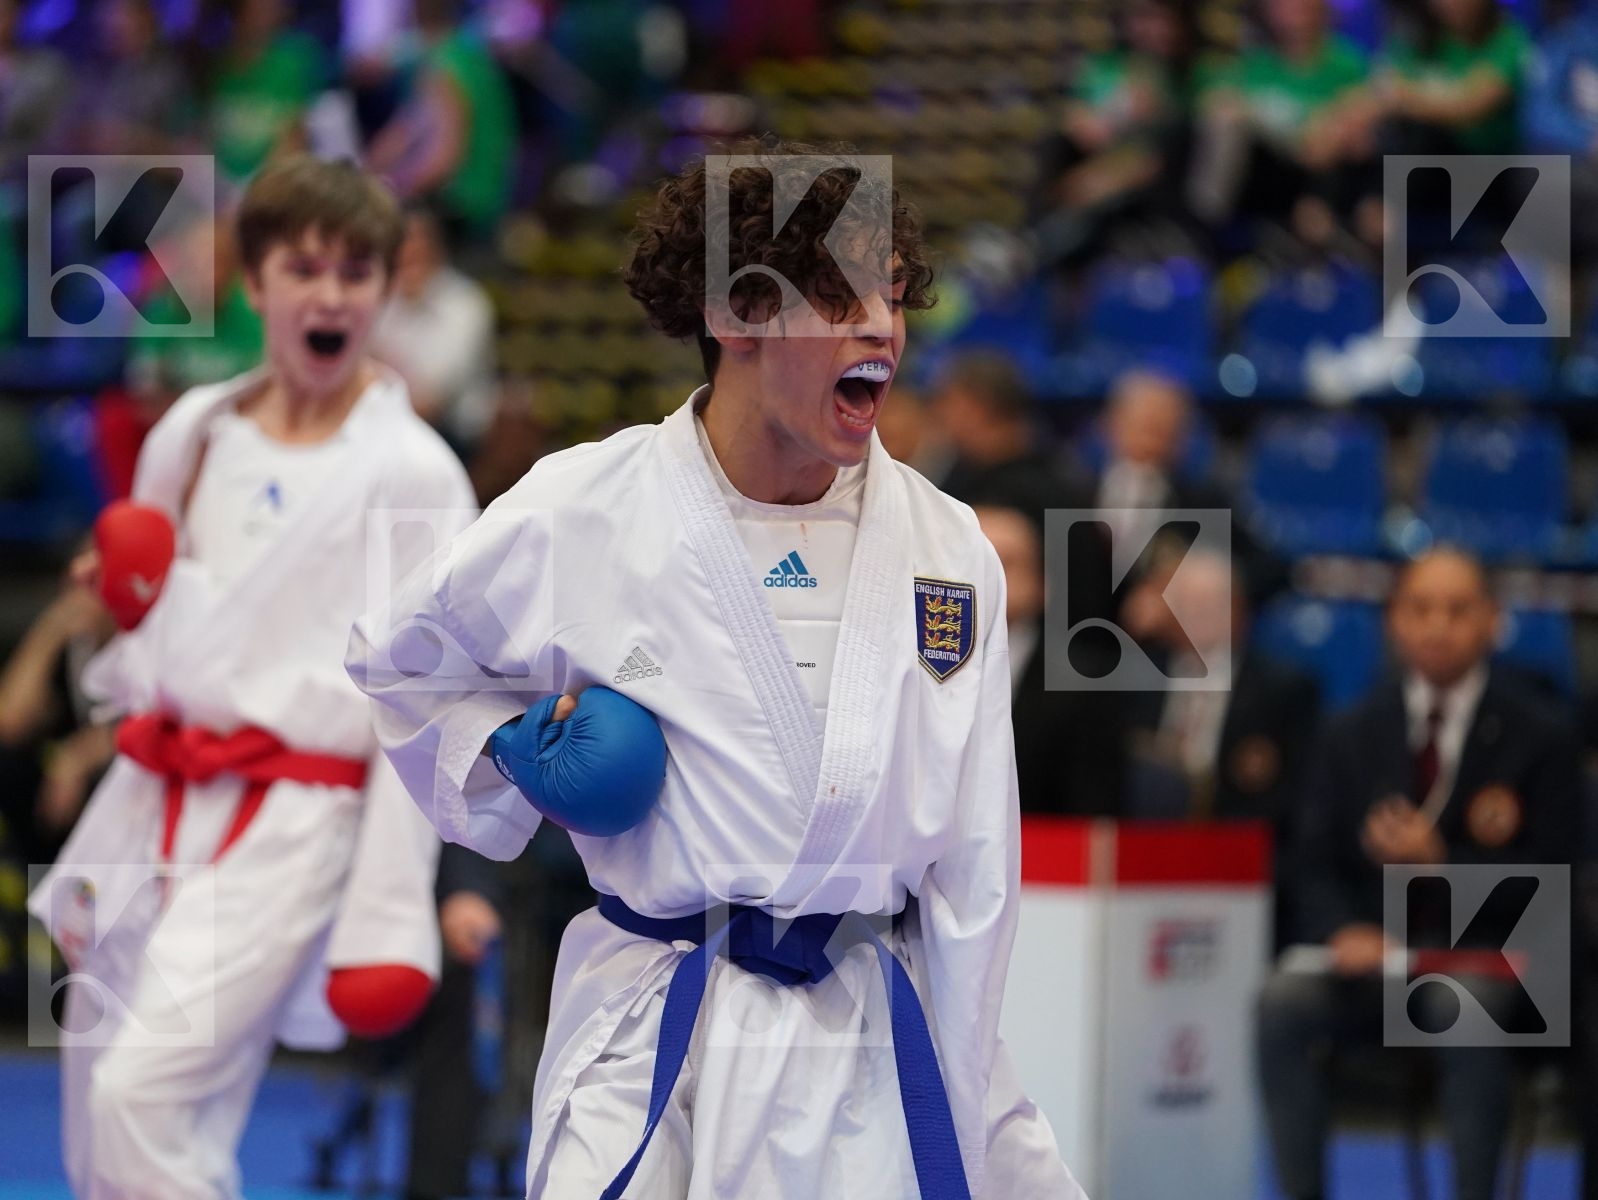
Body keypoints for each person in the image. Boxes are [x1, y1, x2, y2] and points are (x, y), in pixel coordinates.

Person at [349, 140, 1082, 1198]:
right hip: (659, 1018)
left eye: (889, 292)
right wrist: (512, 751)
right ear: (736, 316)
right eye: (834, 294)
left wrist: (965, 1083)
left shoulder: (948, 547)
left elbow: (974, 864)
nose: (879, 324)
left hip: (873, 1025)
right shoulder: (582, 511)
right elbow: (398, 662)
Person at [27, 155, 476, 1200]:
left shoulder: (414, 473)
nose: (329, 295)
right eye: (305, 269)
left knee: (141, 1095)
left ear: (382, 289)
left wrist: (391, 904)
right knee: (97, 1116)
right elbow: (145, 639)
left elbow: (422, 705)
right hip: (153, 789)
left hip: (294, 816)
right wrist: (116, 605)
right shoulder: (195, 432)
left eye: (355, 273)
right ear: (256, 282)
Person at [1257, 547, 1581, 1200]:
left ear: (1492, 620)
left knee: (1459, 1004)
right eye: (1420, 609)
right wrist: (1345, 930)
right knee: (1281, 1002)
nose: (1437, 626)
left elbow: (1557, 883)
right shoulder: (1350, 731)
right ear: (1393, 622)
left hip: (1496, 966)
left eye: (1458, 610)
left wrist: (1443, 864)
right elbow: (1310, 861)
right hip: (1374, 964)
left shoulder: (1541, 734)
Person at [975, 502, 1128, 816]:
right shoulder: (910, 665)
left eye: (1004, 562)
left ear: (1042, 584)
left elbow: (1092, 812)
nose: (984, 577)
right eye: (969, 562)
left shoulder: (1084, 685)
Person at [365, 0, 518, 245]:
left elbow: (444, 156)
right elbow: (405, 130)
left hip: (463, 207)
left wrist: (388, 187)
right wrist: (369, 171)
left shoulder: (444, 69)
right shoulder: (467, 55)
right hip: (493, 201)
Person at [371, 205, 498, 458]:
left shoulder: (466, 304)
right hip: (384, 422)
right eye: (402, 242)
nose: (409, 251)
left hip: (453, 435)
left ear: (436, 247)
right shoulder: (382, 299)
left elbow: (433, 402)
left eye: (418, 242)